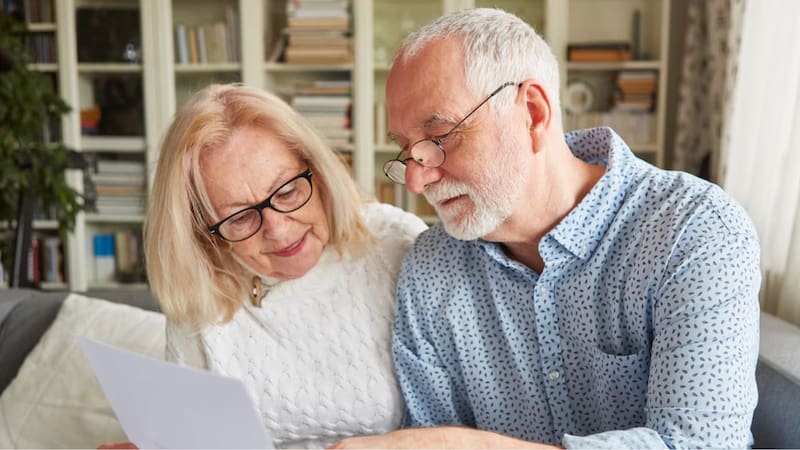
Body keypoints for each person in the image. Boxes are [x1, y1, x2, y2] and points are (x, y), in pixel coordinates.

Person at [332, 8, 760, 450]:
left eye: (439, 139)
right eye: (407, 150)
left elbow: (702, 445)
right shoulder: (431, 267)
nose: (416, 180)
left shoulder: (693, 231)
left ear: (533, 114)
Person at [102, 83, 427, 449]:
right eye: (240, 217)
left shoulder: (395, 246)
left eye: (287, 192)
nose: (278, 230)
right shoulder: (203, 292)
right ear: (205, 232)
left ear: (318, 172)